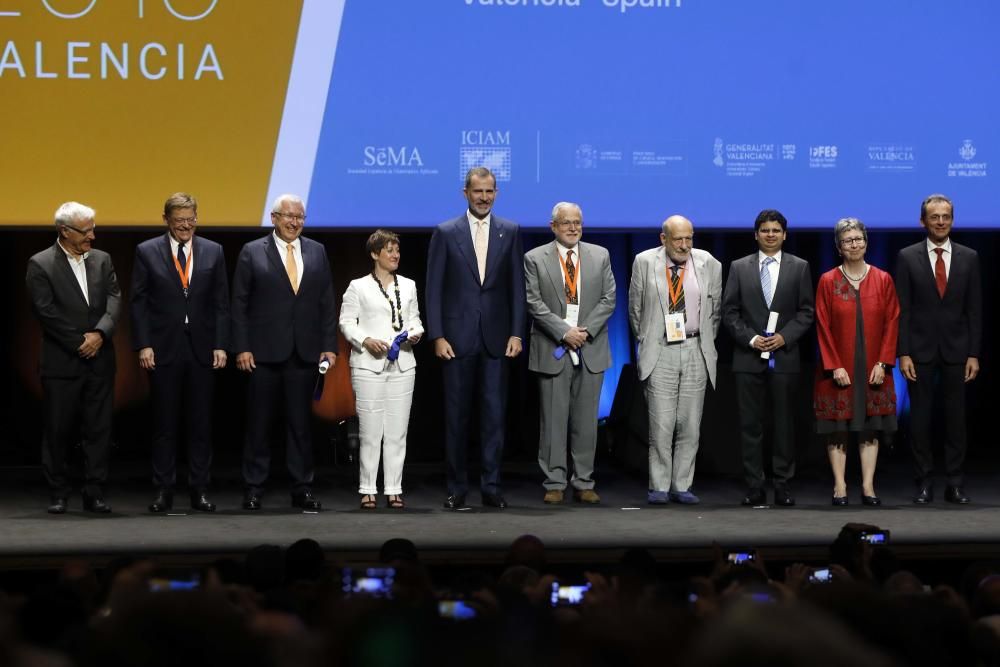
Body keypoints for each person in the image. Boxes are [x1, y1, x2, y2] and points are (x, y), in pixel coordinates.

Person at [425, 166, 527, 510]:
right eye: (477, 191)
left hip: (497, 339)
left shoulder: (510, 232)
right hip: (455, 340)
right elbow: (433, 288)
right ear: (465, 193)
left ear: (496, 194)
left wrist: (516, 331)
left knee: (494, 417)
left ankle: (491, 486)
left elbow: (517, 287)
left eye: (489, 192)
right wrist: (437, 335)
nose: (483, 197)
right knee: (456, 418)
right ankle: (456, 487)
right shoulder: (445, 232)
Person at [231, 194, 338, 511]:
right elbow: (239, 303)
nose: (294, 222)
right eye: (289, 216)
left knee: (300, 425)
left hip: (304, 353)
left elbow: (326, 303)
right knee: (259, 425)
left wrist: (328, 346)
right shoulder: (252, 252)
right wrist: (242, 347)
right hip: (262, 353)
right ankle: (253, 487)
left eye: (300, 217)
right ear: (274, 217)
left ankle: (302, 487)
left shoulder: (317, 251)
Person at [130, 193, 230, 513]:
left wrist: (220, 343)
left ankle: (199, 489)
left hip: (202, 348)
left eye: (191, 219)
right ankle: (164, 489)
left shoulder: (214, 251)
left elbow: (221, 303)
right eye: (179, 221)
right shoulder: (146, 251)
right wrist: (144, 344)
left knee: (200, 424)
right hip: (163, 349)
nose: (186, 226)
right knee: (164, 423)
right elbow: (139, 303)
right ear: (166, 220)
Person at [25, 202, 122, 514]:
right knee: (58, 430)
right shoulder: (40, 264)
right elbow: (45, 312)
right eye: (86, 230)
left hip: (100, 360)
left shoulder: (103, 260)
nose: (92, 236)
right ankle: (58, 492)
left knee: (98, 430)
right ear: (64, 231)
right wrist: (79, 342)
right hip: (62, 362)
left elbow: (114, 300)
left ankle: (94, 492)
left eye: (93, 228)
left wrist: (100, 335)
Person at [524, 202, 616, 504]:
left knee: (587, 421)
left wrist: (583, 331)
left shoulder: (599, 255)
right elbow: (534, 303)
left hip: (591, 347)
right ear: (553, 227)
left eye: (577, 222)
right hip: (553, 348)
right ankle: (554, 482)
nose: (573, 228)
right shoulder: (534, 258)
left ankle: (584, 481)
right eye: (566, 223)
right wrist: (565, 332)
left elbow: (608, 299)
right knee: (553, 419)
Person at [722, 209, 814, 507]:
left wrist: (783, 337)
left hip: (785, 358)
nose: (771, 235)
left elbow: (806, 312)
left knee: (784, 424)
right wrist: (751, 338)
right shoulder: (739, 267)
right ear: (756, 234)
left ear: (785, 235)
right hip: (747, 359)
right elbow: (729, 311)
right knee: (751, 424)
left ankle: (783, 484)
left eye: (776, 230)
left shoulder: (799, 267)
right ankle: (754, 485)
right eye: (765, 230)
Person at [628, 215, 722, 505]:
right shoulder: (644, 261)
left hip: (695, 348)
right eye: (678, 239)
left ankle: (682, 485)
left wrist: (698, 338)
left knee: (690, 424)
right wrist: (648, 338)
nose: (684, 245)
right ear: (663, 239)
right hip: (661, 349)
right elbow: (635, 310)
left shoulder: (709, 263)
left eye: (689, 238)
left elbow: (714, 311)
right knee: (662, 424)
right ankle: (658, 485)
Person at [896, 194, 982, 504]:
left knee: (956, 422)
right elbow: (902, 310)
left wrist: (974, 353)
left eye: (946, 216)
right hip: (919, 351)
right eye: (935, 217)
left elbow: (974, 310)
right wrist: (902, 353)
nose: (941, 222)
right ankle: (923, 482)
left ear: (953, 220)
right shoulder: (907, 257)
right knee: (919, 421)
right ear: (923, 221)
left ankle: (955, 483)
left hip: (958, 352)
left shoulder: (969, 257)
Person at [814, 218, 899, 506]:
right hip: (839, 369)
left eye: (859, 239)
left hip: (874, 367)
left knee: (869, 427)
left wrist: (884, 362)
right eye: (848, 240)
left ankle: (868, 486)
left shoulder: (883, 279)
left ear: (866, 242)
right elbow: (822, 326)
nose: (855, 244)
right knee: (838, 427)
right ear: (839, 247)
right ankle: (840, 486)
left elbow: (892, 322)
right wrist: (834, 365)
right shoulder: (828, 280)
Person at [339, 229, 424, 510]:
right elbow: (346, 323)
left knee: (398, 431)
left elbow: (415, 321)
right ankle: (367, 488)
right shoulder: (358, 286)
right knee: (371, 431)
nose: (395, 255)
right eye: (389, 250)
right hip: (368, 366)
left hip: (403, 365)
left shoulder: (409, 285)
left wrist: (415, 333)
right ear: (375, 254)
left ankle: (394, 488)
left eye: (397, 250)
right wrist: (365, 339)